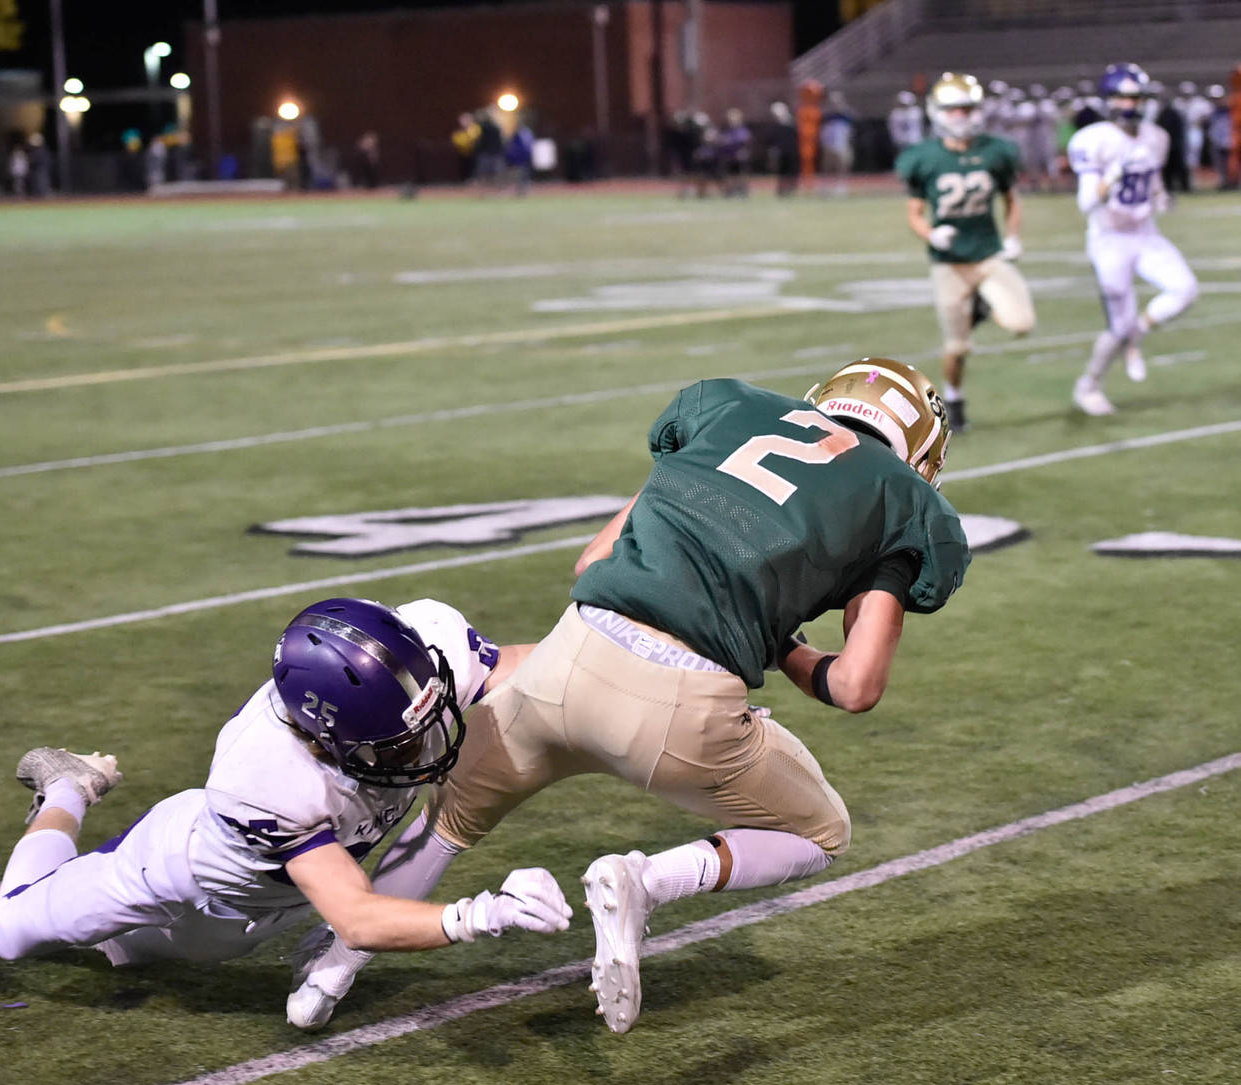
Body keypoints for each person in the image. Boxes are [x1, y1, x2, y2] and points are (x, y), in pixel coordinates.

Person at [292, 358, 970, 1035]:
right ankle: (648, 881)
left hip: (568, 658)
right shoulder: (900, 502)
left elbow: (593, 562)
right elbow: (855, 686)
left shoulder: (730, 413)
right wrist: (785, 646)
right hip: (682, 712)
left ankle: (328, 976)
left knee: (447, 821)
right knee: (822, 832)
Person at [0, 598, 572, 1028]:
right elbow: (355, 914)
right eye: (395, 742)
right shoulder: (268, 774)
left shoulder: (421, 652)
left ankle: (61, 860)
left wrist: (629, 662)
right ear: (321, 733)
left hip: (262, 908)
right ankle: (66, 787)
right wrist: (486, 913)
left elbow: (535, 666)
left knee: (131, 956)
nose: (425, 744)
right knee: (12, 931)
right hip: (180, 868)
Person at [894, 71, 1036, 433]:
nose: (961, 116)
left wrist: (1013, 237)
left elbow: (1011, 201)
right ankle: (954, 399)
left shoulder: (996, 150)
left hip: (988, 255)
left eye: (967, 108)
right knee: (957, 347)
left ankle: (982, 305)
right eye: (953, 109)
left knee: (1022, 323)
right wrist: (931, 234)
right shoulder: (922, 157)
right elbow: (913, 213)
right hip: (950, 264)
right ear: (938, 112)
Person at [1066, 63, 1199, 417]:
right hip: (1109, 238)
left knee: (1185, 289)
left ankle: (1137, 332)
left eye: (1136, 97)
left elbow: (1153, 183)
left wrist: (1161, 199)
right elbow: (1086, 202)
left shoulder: (1156, 136)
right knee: (1117, 327)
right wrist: (1111, 177)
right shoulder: (1092, 139)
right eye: (1124, 97)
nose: (1131, 104)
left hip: (1145, 233)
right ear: (1109, 100)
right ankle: (1089, 384)